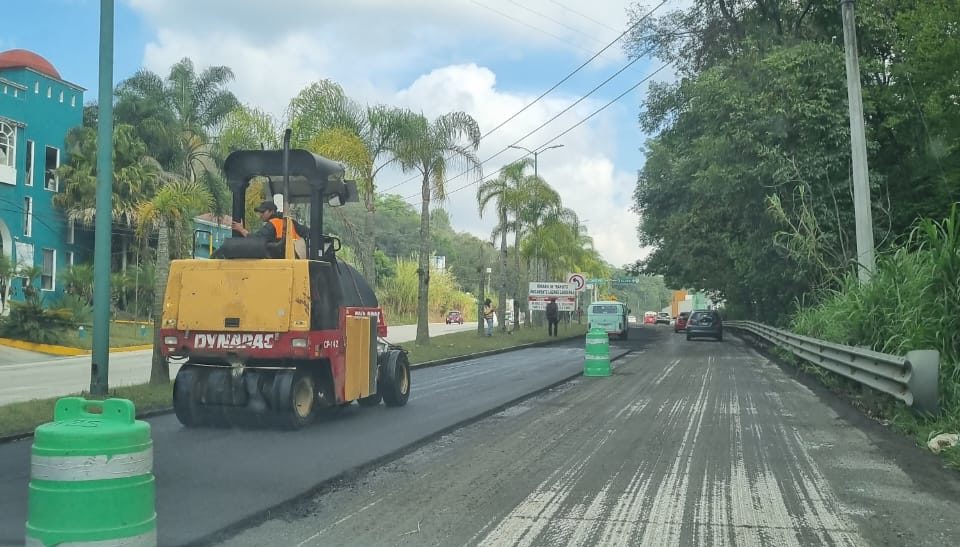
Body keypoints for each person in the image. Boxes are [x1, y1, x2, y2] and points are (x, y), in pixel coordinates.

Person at [231, 200, 308, 258]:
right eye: (260, 212)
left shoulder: (273, 224)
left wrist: (241, 230)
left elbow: (256, 240)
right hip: (296, 257)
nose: (260, 215)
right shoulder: (289, 221)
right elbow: (306, 232)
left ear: (271, 211)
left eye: (263, 212)